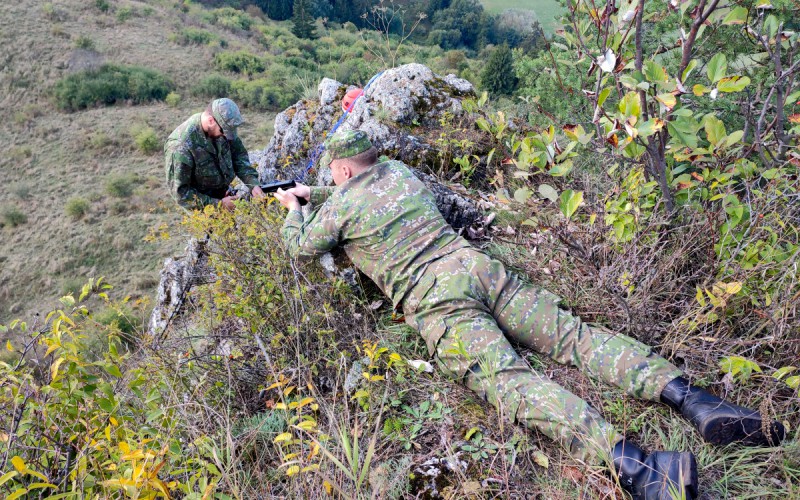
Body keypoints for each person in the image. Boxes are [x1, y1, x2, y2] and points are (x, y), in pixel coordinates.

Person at [273, 130, 785, 500]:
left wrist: (295, 207)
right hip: (479, 268)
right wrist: (316, 192)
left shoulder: (340, 208)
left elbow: (300, 245)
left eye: (333, 175)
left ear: (342, 171)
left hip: (437, 299)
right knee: (574, 336)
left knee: (508, 381)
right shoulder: (399, 173)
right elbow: (361, 192)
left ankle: (642, 470)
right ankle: (696, 401)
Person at [164, 98, 265, 211]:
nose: (226, 136)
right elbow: (180, 193)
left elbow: (238, 156)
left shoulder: (223, 128)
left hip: (227, 196)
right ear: (211, 120)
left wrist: (252, 183)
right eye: (223, 131)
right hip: (203, 212)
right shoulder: (180, 146)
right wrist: (219, 205)